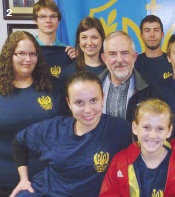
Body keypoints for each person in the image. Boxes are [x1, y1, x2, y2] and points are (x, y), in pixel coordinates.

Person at [10, 71, 132, 197]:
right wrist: (23, 179)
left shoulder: (119, 129)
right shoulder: (54, 128)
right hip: (44, 192)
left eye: (94, 100)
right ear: (69, 103)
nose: (88, 110)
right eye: (79, 102)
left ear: (103, 98)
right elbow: (19, 142)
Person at [0, 31, 68, 197]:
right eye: (21, 54)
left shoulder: (54, 86)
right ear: (9, 56)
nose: (27, 59)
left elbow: (68, 128)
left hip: (49, 178)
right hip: (6, 180)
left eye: (32, 54)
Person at [100, 99, 175, 196]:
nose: (152, 135)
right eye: (146, 127)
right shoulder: (120, 162)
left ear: (169, 131)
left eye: (160, 129)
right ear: (135, 128)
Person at [99, 31, 161, 122]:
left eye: (125, 53)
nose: (119, 60)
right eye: (112, 54)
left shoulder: (150, 90)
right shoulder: (91, 87)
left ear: (134, 57)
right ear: (104, 59)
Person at [33, 0, 75, 78]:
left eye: (53, 16)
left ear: (58, 21)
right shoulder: (29, 50)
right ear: (35, 20)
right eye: (43, 16)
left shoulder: (67, 52)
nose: (48, 21)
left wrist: (78, 60)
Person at [59, 17, 106, 83]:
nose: (89, 43)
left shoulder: (110, 70)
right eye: (84, 37)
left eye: (94, 37)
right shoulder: (68, 73)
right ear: (79, 41)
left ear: (102, 40)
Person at [134, 15, 173, 84]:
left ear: (162, 34)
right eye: (147, 31)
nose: (152, 35)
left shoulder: (173, 61)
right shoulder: (134, 63)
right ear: (141, 35)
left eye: (156, 30)